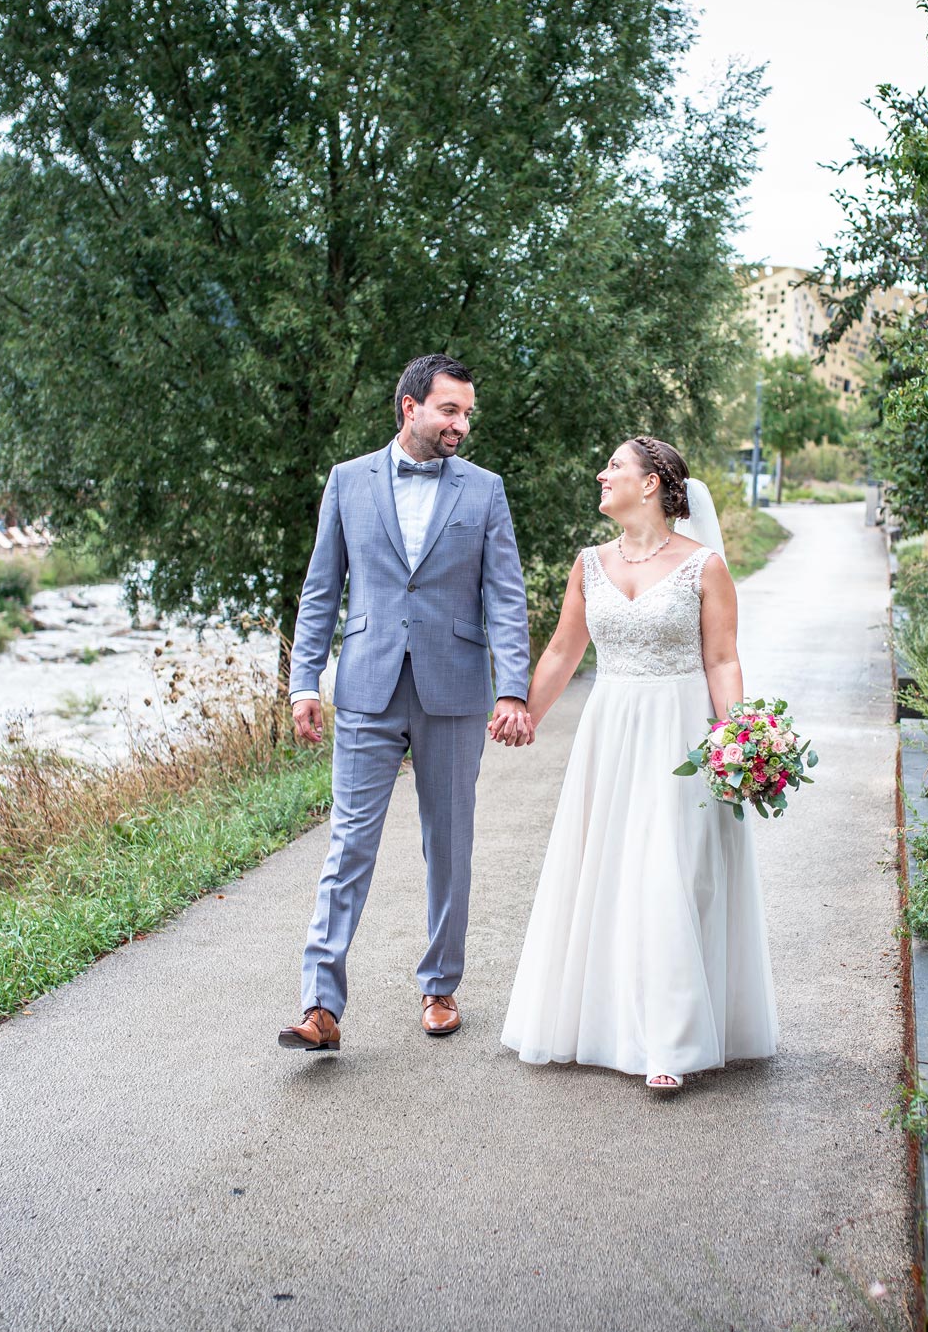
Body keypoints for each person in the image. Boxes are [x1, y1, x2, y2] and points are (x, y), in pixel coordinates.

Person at [496, 436, 779, 1091]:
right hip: (611, 731)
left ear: (650, 483)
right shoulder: (588, 563)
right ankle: (606, 1023)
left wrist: (738, 739)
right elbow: (564, 651)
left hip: (680, 729)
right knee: (612, 872)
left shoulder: (704, 566)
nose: (603, 473)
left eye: (616, 466)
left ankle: (669, 1042)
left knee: (670, 874)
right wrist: (524, 713)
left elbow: (722, 660)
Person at [279, 354, 533, 1052]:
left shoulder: (485, 491)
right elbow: (320, 590)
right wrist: (305, 682)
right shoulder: (347, 481)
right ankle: (320, 1005)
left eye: (468, 412)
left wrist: (513, 685)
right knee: (348, 844)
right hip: (365, 685)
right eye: (450, 410)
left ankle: (440, 985)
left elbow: (505, 596)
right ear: (410, 408)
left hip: (453, 685)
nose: (462, 424)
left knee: (448, 843)